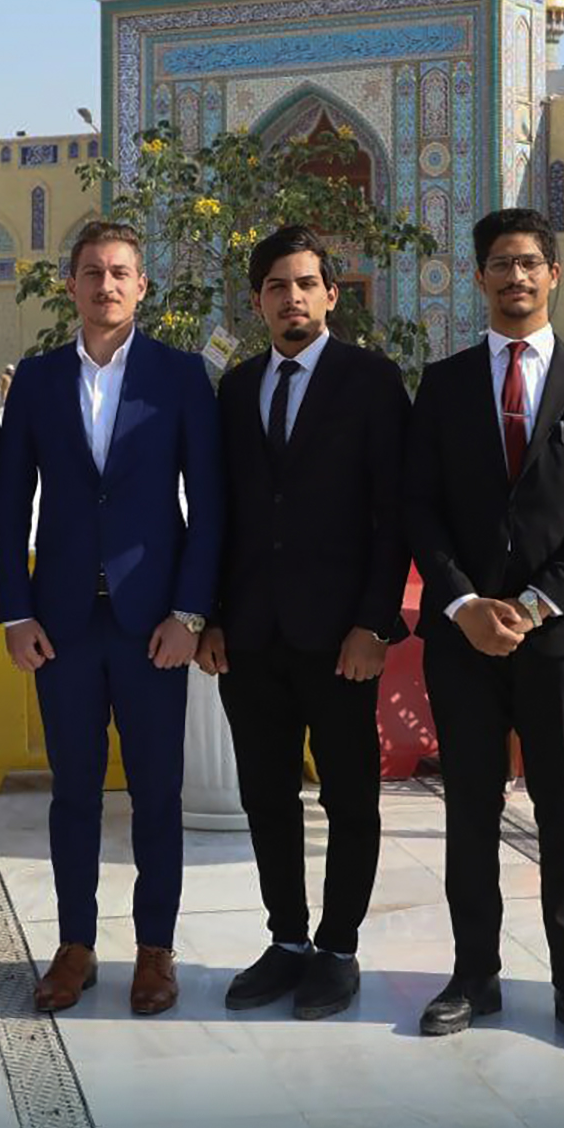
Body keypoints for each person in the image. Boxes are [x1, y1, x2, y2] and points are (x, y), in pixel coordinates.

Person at [403, 207, 564, 1049]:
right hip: (464, 638)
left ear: (554, 274)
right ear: (479, 277)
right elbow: (419, 505)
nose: (516, 277)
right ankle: (475, 974)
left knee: (563, 809)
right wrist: (464, 604)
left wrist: (536, 604)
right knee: (469, 809)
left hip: (561, 636)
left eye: (530, 262)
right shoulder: (444, 384)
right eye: (501, 263)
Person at [0, 220, 223, 1017]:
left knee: (157, 793)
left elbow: (210, 506)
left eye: (121, 272)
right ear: (71, 285)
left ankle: (155, 949)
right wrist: (15, 612)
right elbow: (8, 503)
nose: (106, 285)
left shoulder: (180, 375)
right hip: (61, 623)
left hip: (151, 622)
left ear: (141, 285)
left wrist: (190, 612)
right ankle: (75, 946)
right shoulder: (38, 380)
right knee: (74, 793)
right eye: (92, 271)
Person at [196, 225, 411, 1020]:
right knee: (267, 796)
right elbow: (219, 513)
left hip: (340, 638)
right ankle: (286, 939)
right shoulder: (236, 387)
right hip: (251, 637)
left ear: (331, 294)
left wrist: (374, 624)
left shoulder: (371, 380)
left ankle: (338, 947)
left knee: (349, 799)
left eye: (306, 284)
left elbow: (394, 514)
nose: (292, 298)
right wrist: (211, 616)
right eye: (276, 286)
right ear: (257, 301)